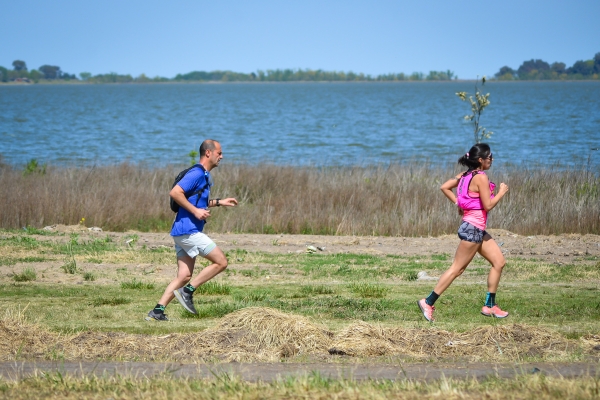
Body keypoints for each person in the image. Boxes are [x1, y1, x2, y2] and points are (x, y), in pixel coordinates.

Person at [146, 139, 238, 321]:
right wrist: (196, 211)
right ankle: (187, 293)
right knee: (221, 262)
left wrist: (219, 202)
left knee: (184, 275)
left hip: (181, 232)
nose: (222, 156)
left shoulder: (203, 175)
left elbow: (197, 202)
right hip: (189, 231)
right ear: (208, 153)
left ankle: (157, 311)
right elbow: (175, 192)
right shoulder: (197, 173)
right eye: (219, 153)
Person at [417, 143, 509, 322]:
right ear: (480, 160)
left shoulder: (465, 175)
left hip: (476, 228)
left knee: (499, 262)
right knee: (457, 269)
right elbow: (488, 205)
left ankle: (490, 306)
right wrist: (501, 192)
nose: (492, 159)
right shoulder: (480, 177)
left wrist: (459, 204)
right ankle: (428, 302)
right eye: (490, 157)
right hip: (473, 228)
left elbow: (445, 187)